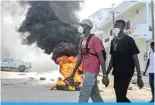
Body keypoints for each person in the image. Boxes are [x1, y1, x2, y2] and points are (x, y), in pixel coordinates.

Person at [64, 19, 109, 102]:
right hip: (86, 70)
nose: (81, 27)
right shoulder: (82, 40)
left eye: (82, 26)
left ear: (88, 27)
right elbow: (80, 56)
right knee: (94, 94)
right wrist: (73, 72)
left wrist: (105, 75)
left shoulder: (95, 39)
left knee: (84, 93)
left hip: (92, 70)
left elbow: (101, 56)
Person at [107, 20, 144, 102]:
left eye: (117, 26)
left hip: (127, 72)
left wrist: (139, 77)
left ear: (123, 27)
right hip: (117, 72)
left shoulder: (129, 40)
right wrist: (106, 74)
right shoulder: (114, 41)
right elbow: (112, 59)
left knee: (121, 94)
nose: (115, 28)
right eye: (114, 26)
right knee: (118, 95)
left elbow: (136, 59)